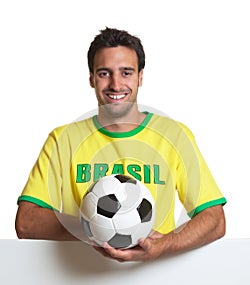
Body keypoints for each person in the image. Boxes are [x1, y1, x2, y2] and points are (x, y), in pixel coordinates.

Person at [15, 27, 226, 262]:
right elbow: (27, 222)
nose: (116, 84)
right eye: (105, 73)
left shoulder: (175, 135)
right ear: (91, 78)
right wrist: (95, 227)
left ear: (140, 77)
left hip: (156, 281)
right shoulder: (63, 139)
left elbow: (214, 220)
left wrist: (162, 246)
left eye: (126, 72)